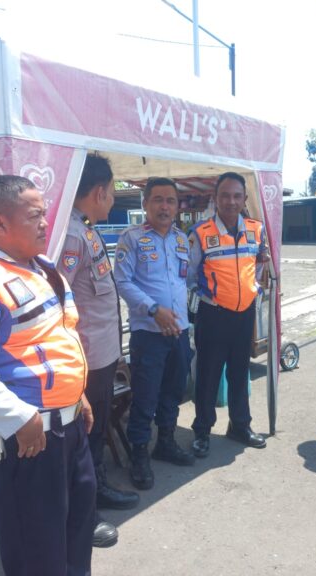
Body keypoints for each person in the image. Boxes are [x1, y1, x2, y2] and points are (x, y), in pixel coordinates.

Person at [0, 175, 95, 576]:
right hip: (30, 441)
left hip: (69, 429)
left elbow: (57, 338)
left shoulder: (42, 270)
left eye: (44, 214)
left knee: (76, 537)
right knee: (36, 552)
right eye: (34, 216)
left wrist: (77, 395)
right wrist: (20, 419)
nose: (45, 223)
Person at [57, 154, 139, 548]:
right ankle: (82, 518)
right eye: (112, 191)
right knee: (83, 439)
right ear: (99, 191)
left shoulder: (85, 230)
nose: (113, 199)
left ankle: (97, 489)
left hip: (102, 355)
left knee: (97, 432)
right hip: (86, 360)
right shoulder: (73, 236)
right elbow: (59, 301)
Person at [113, 177, 196, 490]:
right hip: (148, 333)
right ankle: (139, 453)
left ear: (177, 206)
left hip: (179, 331)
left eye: (170, 201)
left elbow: (184, 281)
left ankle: (166, 442)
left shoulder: (181, 239)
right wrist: (153, 310)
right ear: (145, 203)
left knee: (174, 391)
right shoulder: (131, 238)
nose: (164, 206)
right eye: (158, 200)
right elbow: (122, 281)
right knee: (145, 396)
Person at [187, 172, 270, 457]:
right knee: (208, 375)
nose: (231, 201)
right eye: (225, 195)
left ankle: (240, 425)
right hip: (214, 316)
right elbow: (188, 274)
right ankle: (202, 431)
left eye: (237, 196)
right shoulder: (201, 232)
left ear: (245, 199)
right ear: (216, 198)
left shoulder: (256, 229)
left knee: (239, 371)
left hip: (244, 314)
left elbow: (258, 265)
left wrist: (252, 289)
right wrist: (208, 296)